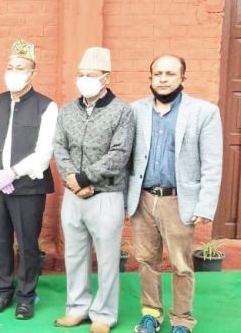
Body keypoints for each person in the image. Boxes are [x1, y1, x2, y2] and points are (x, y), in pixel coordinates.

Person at [127, 55, 222, 333]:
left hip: (179, 200)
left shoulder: (203, 112)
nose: (164, 79)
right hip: (143, 199)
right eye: (158, 74)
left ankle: (181, 319)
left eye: (170, 74)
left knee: (181, 264)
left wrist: (206, 205)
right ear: (151, 78)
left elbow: (213, 162)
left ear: (182, 78)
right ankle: (151, 314)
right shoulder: (135, 111)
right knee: (146, 261)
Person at [52, 47, 135, 333]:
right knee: (74, 255)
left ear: (106, 77)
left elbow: (119, 153)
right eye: (81, 74)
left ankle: (104, 314)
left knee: (108, 256)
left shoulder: (122, 111)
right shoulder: (67, 111)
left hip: (106, 195)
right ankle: (77, 307)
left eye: (91, 75)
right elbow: (59, 147)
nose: (84, 79)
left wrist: (86, 178)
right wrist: (73, 180)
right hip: (73, 194)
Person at [0, 40, 57, 320]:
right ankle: (2, 292)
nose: (14, 72)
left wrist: (14, 172)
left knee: (28, 243)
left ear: (32, 73)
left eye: (21, 68)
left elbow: (45, 150)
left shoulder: (46, 106)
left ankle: (26, 296)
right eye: (10, 67)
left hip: (28, 187)